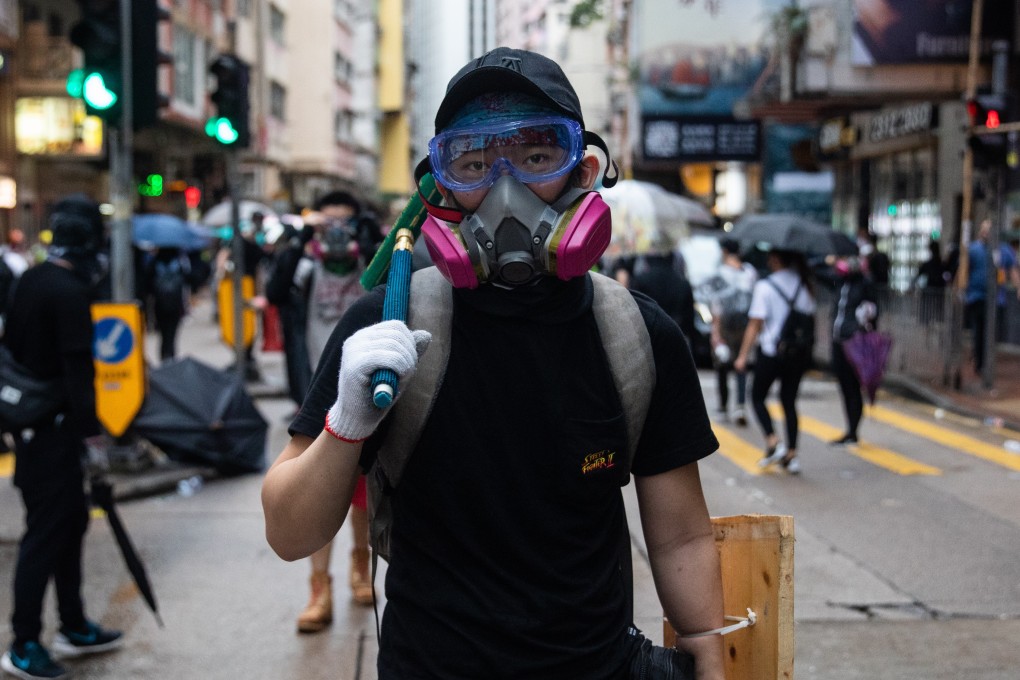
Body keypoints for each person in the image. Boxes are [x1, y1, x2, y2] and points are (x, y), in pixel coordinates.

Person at [262, 47, 725, 678]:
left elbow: (681, 535)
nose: (506, 190)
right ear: (441, 186)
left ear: (584, 171)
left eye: (537, 156)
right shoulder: (388, 325)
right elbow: (289, 534)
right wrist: (345, 423)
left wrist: (707, 647)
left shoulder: (637, 336)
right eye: (474, 163)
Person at [1, 195, 122, 680]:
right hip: (54, 433)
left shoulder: (31, 279)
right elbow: (79, 374)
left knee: (70, 526)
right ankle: (24, 643)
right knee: (47, 534)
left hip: (32, 428)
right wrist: (94, 441)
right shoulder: (71, 292)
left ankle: (73, 624)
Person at [289, 203, 374, 632]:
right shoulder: (307, 268)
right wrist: (302, 239)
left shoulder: (369, 265)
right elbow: (276, 287)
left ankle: (361, 567)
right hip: (318, 392)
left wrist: (371, 236)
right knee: (316, 495)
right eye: (330, 222)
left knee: (363, 493)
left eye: (346, 221)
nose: (338, 231)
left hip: (367, 392)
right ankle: (319, 589)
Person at [735, 248, 816, 474]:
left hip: (771, 351)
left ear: (776, 259)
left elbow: (755, 324)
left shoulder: (765, 286)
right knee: (789, 401)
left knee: (757, 396)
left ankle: (773, 441)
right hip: (797, 354)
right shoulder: (804, 285)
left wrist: (742, 356)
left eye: (770, 256)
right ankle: (792, 454)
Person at [819, 255, 877, 445]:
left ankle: (853, 431)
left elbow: (873, 312)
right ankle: (849, 430)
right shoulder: (840, 282)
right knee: (844, 386)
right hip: (838, 341)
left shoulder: (865, 285)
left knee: (853, 387)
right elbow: (816, 270)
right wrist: (827, 260)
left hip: (854, 342)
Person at [707, 238, 757, 425]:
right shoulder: (750, 272)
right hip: (746, 325)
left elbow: (716, 305)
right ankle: (740, 406)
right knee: (741, 364)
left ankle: (723, 406)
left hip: (725, 325)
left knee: (722, 364)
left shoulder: (720, 273)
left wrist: (715, 332)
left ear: (725, 251)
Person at [629, 251, 696, 343]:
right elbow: (689, 319)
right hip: (677, 339)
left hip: (649, 339)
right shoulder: (683, 283)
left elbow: (634, 315)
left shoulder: (640, 281)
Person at [143, 246, 193, 362]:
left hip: (159, 304)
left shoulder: (155, 263)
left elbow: (147, 284)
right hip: (175, 303)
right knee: (172, 332)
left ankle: (164, 356)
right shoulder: (179, 263)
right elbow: (188, 279)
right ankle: (171, 356)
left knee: (163, 332)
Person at [914, 238, 947, 324]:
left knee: (928, 310)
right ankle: (933, 321)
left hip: (931, 289)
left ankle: (928, 322)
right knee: (935, 310)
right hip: (937, 289)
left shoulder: (931, 264)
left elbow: (918, 274)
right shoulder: (942, 264)